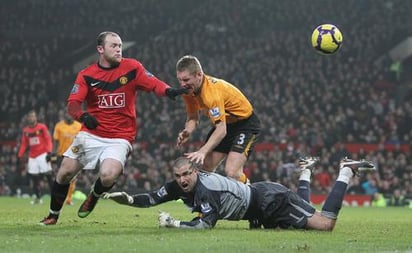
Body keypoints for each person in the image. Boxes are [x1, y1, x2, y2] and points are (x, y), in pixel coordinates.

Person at [39, 31, 188, 225]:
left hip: (120, 136)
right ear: (100, 49)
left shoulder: (132, 67)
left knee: (109, 175)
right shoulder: (87, 74)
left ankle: (94, 195)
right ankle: (53, 215)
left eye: (120, 45)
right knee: (65, 171)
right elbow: (73, 104)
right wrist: (83, 115)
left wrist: (168, 91)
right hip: (91, 134)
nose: (119, 49)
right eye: (114, 46)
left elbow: (153, 83)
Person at [103, 156, 376, 230]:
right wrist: (127, 199)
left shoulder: (206, 188)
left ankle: (345, 171)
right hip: (258, 207)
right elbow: (151, 198)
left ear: (195, 172)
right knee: (303, 213)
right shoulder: (178, 186)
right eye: (178, 177)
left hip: (269, 200)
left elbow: (203, 226)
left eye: (187, 174)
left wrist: (174, 224)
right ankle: (305, 171)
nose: (183, 180)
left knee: (324, 224)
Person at [175, 55, 261, 183]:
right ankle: (209, 201)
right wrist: (188, 130)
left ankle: (251, 195)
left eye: (186, 80)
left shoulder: (211, 94)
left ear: (199, 75)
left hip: (245, 125)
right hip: (226, 124)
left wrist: (202, 151)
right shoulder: (188, 91)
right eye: (180, 80)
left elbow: (221, 130)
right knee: (205, 169)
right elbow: (193, 116)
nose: (182, 84)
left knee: (232, 173)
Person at [17, 110, 53, 204]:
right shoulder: (26, 130)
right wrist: (19, 155)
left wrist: (49, 152)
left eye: (33, 116)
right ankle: (38, 198)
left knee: (48, 175)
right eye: (30, 117)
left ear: (36, 117)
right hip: (32, 156)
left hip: (43, 154)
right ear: (28, 118)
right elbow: (24, 144)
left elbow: (48, 139)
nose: (31, 118)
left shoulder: (42, 127)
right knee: (34, 177)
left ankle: (55, 196)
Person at [52, 111, 82, 205]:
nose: (69, 116)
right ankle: (59, 197)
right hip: (62, 155)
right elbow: (56, 141)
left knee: (72, 178)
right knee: (61, 177)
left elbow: (82, 141)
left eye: (71, 115)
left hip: (74, 155)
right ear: (64, 115)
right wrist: (53, 154)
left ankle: (68, 199)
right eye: (67, 115)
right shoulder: (59, 126)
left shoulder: (79, 126)